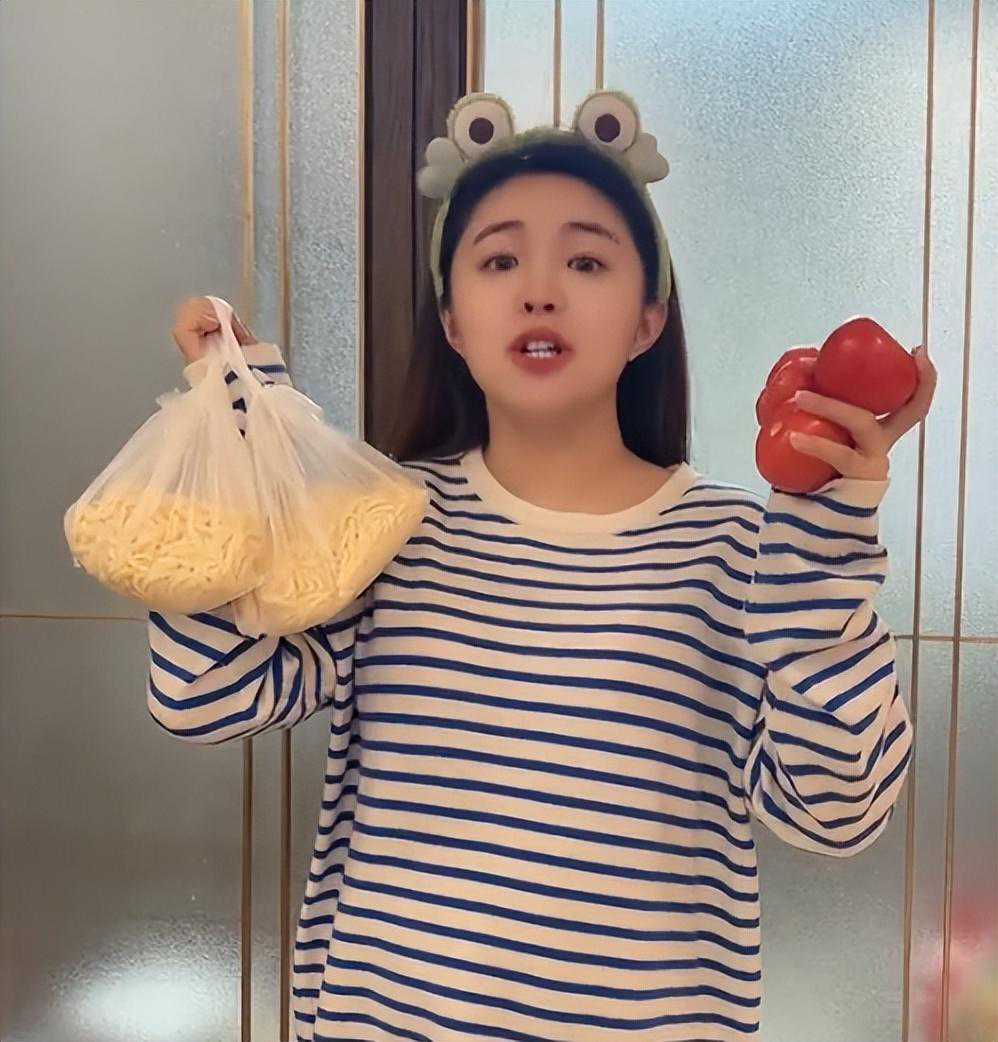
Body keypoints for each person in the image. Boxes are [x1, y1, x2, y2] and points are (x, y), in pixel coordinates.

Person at [156, 89, 936, 1042]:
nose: (538, 290)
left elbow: (836, 813)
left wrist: (821, 538)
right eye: (498, 260)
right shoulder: (384, 521)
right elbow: (205, 696)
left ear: (648, 320)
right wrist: (245, 437)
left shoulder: (739, 550)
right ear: (452, 322)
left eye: (586, 260)